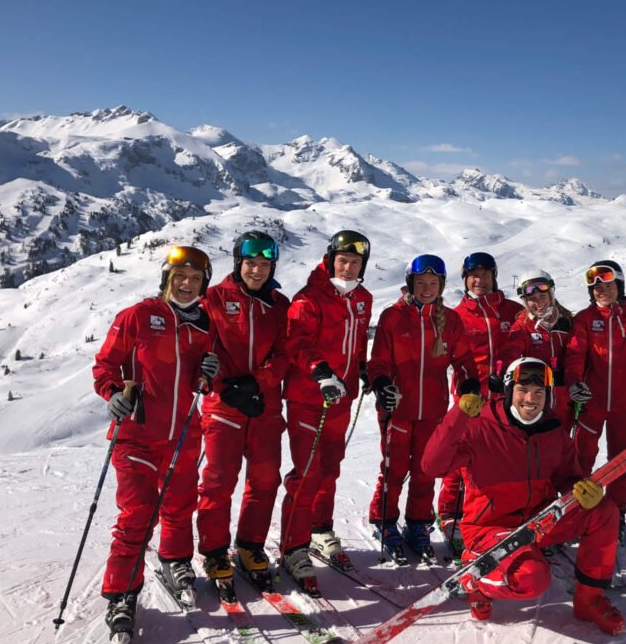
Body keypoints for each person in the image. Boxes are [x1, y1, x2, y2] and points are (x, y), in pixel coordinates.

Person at [422, 357, 626, 635]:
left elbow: (569, 477)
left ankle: (588, 600)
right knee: (532, 579)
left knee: (602, 511)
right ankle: (475, 576)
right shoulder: (480, 426)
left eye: (539, 392)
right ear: (509, 391)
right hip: (487, 528)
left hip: (537, 522)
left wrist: (582, 492)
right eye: (523, 390)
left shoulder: (552, 431)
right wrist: (457, 417)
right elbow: (432, 466)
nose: (531, 399)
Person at [92, 246, 218, 637]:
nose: (186, 285)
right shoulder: (139, 316)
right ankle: (122, 594)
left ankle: (175, 559)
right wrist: (113, 391)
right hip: (137, 435)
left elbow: (199, 381)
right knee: (137, 516)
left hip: (182, 432)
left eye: (195, 279)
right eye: (180, 276)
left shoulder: (203, 325)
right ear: (166, 278)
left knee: (180, 505)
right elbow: (105, 364)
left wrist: (208, 374)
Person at [366, 254, 477, 563]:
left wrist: (469, 384)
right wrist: (381, 384)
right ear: (409, 284)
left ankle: (418, 524)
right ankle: (385, 522)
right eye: (420, 283)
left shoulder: (450, 320)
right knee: (394, 469)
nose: (427, 288)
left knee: (425, 471)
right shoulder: (392, 317)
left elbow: (464, 361)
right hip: (397, 408)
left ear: (441, 286)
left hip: (433, 409)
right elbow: (378, 362)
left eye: (433, 283)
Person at [278, 231, 373, 584]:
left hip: (341, 399)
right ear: (330, 259)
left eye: (355, 263)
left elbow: (358, 340)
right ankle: (292, 546)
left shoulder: (362, 298)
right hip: (308, 398)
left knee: (330, 469)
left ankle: (319, 529)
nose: (348, 269)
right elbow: (297, 342)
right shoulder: (309, 299)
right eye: (343, 261)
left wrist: (361, 367)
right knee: (307, 473)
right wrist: (321, 372)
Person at [195, 231, 289, 588]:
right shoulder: (215, 299)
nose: (258, 271)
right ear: (239, 263)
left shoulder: (279, 305)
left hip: (263, 405)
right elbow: (205, 348)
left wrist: (258, 382)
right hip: (224, 406)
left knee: (265, 479)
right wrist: (225, 387)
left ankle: (250, 544)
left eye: (265, 265)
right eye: (252, 263)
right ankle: (215, 550)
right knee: (218, 482)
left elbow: (284, 354)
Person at [563, 260, 626, 532]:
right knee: (581, 461)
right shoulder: (584, 319)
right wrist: (574, 383)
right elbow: (574, 356)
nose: (601, 291)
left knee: (621, 462)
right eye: (596, 287)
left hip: (625, 404)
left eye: (607, 285)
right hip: (590, 403)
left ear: (619, 285)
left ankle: (615, 514)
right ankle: (579, 513)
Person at [437, 252, 521, 544]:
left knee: (500, 458)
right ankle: (449, 512)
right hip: (469, 397)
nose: (479, 280)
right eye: (474, 275)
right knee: (461, 455)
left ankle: (492, 511)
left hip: (507, 398)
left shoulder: (512, 311)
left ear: (494, 276)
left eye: (485, 274)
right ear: (465, 279)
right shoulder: (456, 315)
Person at [496, 269, 575, 427]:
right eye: (532, 299)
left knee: (562, 442)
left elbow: (577, 354)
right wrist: (502, 372)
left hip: (564, 398)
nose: (538, 302)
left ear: (551, 295)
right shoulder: (523, 326)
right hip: (535, 397)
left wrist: (571, 377)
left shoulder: (567, 322)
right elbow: (511, 350)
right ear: (526, 302)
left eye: (543, 296)